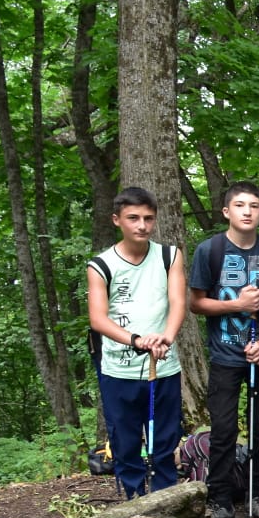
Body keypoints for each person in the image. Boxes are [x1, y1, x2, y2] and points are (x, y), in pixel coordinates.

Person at [188, 181, 259, 518]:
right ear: (226, 212)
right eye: (240, 206)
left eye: (253, 206)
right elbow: (196, 303)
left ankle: (258, 493)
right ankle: (220, 498)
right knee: (223, 428)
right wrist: (236, 304)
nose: (247, 211)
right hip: (225, 355)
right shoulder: (210, 250)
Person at [87, 187, 185, 499]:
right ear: (117, 220)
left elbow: (178, 302)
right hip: (119, 369)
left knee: (165, 440)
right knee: (126, 442)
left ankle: (166, 503)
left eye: (148, 218)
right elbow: (98, 319)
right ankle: (133, 503)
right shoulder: (101, 265)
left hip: (164, 365)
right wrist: (136, 340)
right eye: (133, 218)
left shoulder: (170, 256)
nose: (141, 225)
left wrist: (165, 338)